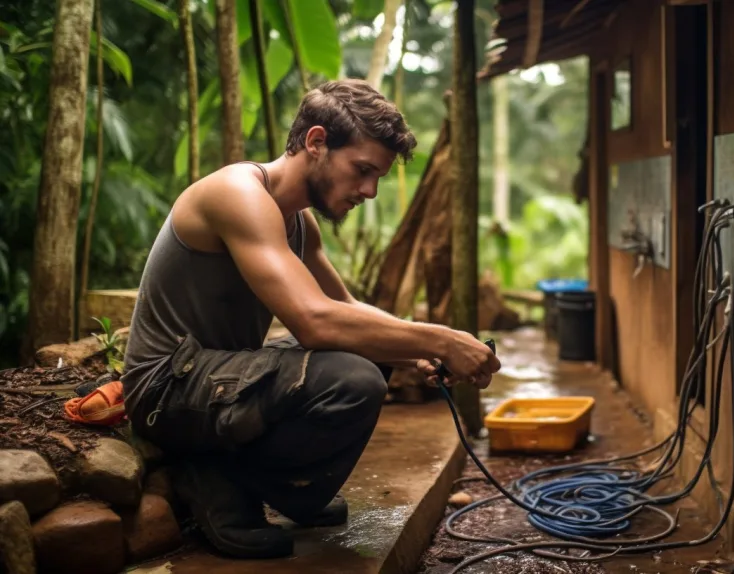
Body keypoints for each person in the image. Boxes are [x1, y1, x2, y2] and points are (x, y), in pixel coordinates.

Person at [120, 79, 501, 560]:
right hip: (164, 390)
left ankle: (273, 487)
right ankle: (217, 483)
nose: (369, 190)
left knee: (365, 352)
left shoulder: (298, 219)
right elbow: (314, 322)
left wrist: (421, 349)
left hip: (216, 377)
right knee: (352, 376)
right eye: (362, 170)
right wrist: (442, 339)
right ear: (317, 142)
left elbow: (344, 308)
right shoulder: (237, 193)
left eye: (377, 176)